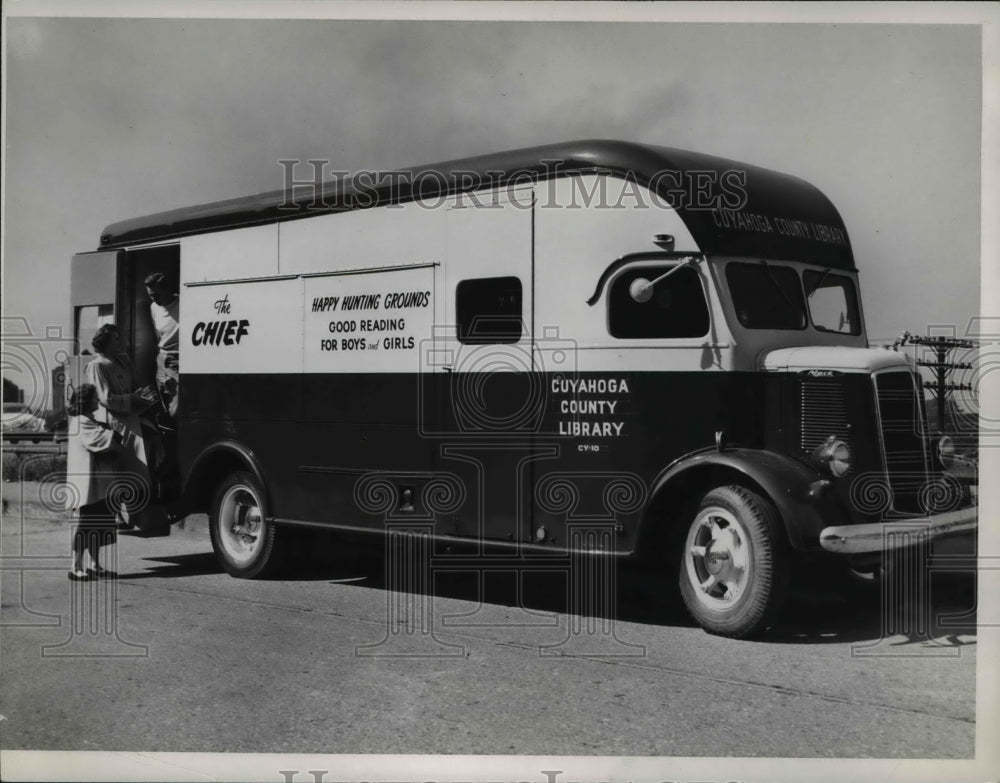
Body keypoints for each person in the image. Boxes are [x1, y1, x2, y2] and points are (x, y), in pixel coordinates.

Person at [85, 323, 155, 531]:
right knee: (118, 471)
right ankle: (119, 517)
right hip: (113, 424)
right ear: (104, 343)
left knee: (136, 469)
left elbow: (135, 385)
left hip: (132, 421)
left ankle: (133, 516)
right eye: (115, 340)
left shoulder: (124, 361)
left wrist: (143, 397)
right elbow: (106, 398)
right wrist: (132, 399)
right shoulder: (96, 366)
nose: (119, 343)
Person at [65, 384, 125, 580]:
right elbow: (98, 441)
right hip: (88, 484)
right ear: (86, 400)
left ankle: (93, 565)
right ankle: (75, 567)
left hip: (98, 483)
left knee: (98, 524)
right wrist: (113, 433)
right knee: (87, 525)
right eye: (94, 398)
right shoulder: (82, 422)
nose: (97, 401)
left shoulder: (87, 420)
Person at [145, 272, 179, 420]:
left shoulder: (184, 303)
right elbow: (157, 334)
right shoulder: (154, 307)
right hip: (162, 358)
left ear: (168, 289)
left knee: (176, 407)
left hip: (179, 359)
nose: (154, 299)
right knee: (164, 402)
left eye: (157, 295)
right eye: (151, 295)